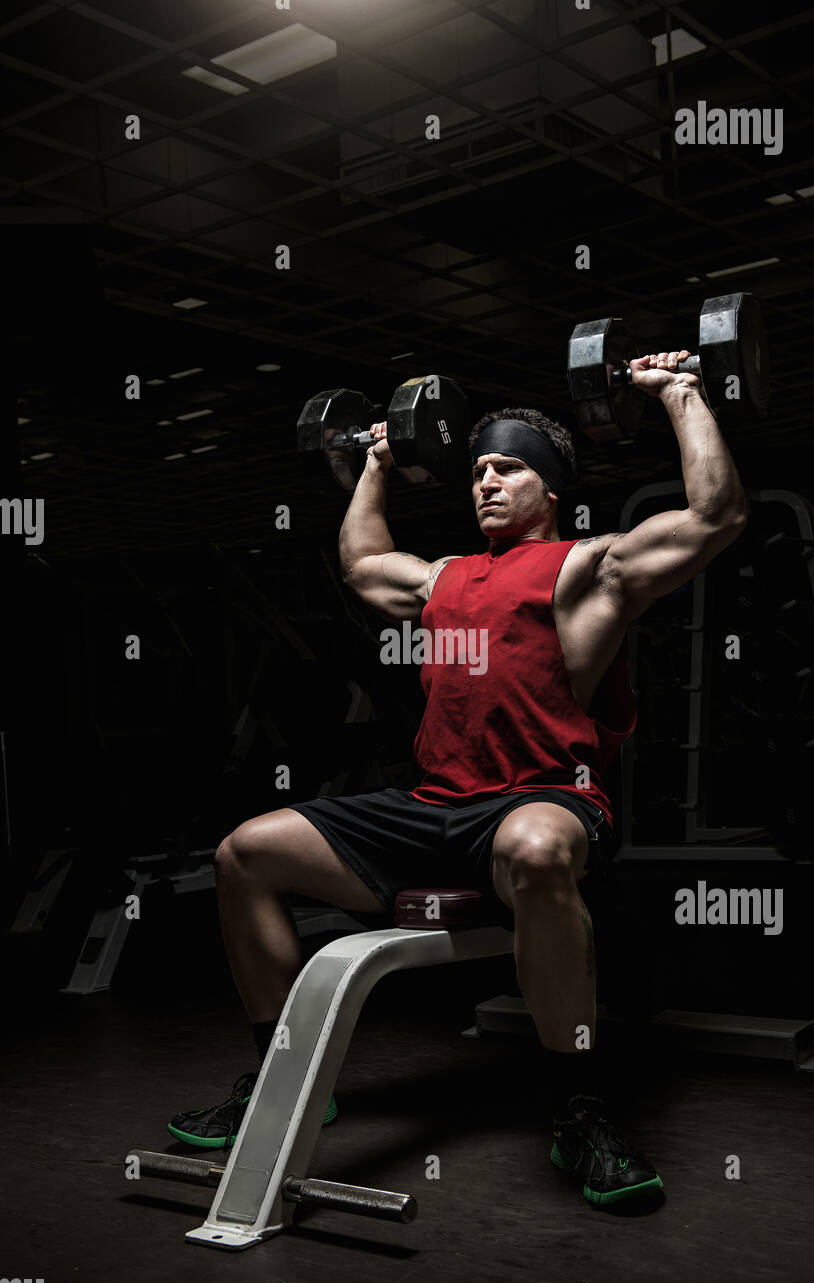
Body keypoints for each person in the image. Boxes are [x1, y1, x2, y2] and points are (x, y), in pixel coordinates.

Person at [169, 350, 748, 1207]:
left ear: (550, 488)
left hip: (540, 798)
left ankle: (577, 1111)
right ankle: (285, 1081)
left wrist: (679, 392)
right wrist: (371, 464)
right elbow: (364, 564)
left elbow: (715, 515)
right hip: (431, 808)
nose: (484, 483)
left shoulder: (590, 569)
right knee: (245, 852)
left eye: (506, 469)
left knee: (540, 847)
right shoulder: (443, 578)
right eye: (476, 470)